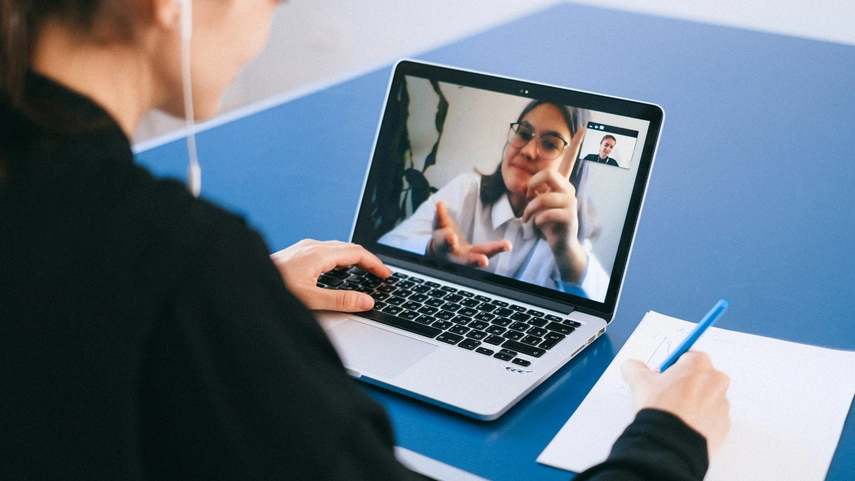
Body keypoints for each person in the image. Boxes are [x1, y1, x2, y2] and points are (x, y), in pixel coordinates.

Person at [0, 1, 730, 480]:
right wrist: (667, 436)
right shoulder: (187, 266)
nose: (266, 27)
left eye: (551, 141)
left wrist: (247, 291)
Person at [380, 100, 610, 301]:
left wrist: (567, 250)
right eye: (523, 134)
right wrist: (431, 249)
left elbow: (604, 309)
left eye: (550, 144)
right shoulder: (466, 190)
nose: (528, 151)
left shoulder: (567, 233)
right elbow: (386, 247)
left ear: (574, 166)